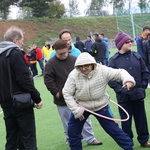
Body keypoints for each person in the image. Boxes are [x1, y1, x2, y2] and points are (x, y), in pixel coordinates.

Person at [62, 52, 135, 150]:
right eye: (81, 66)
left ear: (92, 64)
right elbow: (66, 92)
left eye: (86, 66)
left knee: (113, 129)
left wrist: (128, 80)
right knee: (72, 131)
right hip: (82, 107)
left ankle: (129, 147)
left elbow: (120, 72)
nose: (83, 69)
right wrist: (76, 110)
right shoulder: (74, 75)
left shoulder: (102, 70)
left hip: (101, 105)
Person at [44, 39, 101, 145]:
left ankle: (90, 138)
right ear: (55, 51)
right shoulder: (50, 64)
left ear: (68, 49)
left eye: (65, 52)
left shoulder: (75, 60)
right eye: (60, 54)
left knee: (85, 119)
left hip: (80, 97)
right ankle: (72, 141)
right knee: (67, 122)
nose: (63, 55)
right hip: (62, 99)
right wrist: (57, 93)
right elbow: (48, 80)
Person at [0, 26, 43, 150]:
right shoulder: (15, 53)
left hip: (6, 103)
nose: (23, 42)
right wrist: (37, 98)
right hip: (21, 103)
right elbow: (24, 79)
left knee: (12, 139)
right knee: (28, 139)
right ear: (15, 40)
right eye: (21, 39)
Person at [108, 32, 150, 148]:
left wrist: (142, 86)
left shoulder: (136, 56)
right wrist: (121, 90)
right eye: (127, 42)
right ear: (120, 44)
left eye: (131, 41)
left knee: (141, 119)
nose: (130, 43)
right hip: (124, 97)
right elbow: (110, 79)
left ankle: (144, 140)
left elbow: (145, 72)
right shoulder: (113, 60)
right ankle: (128, 142)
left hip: (138, 94)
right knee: (126, 121)